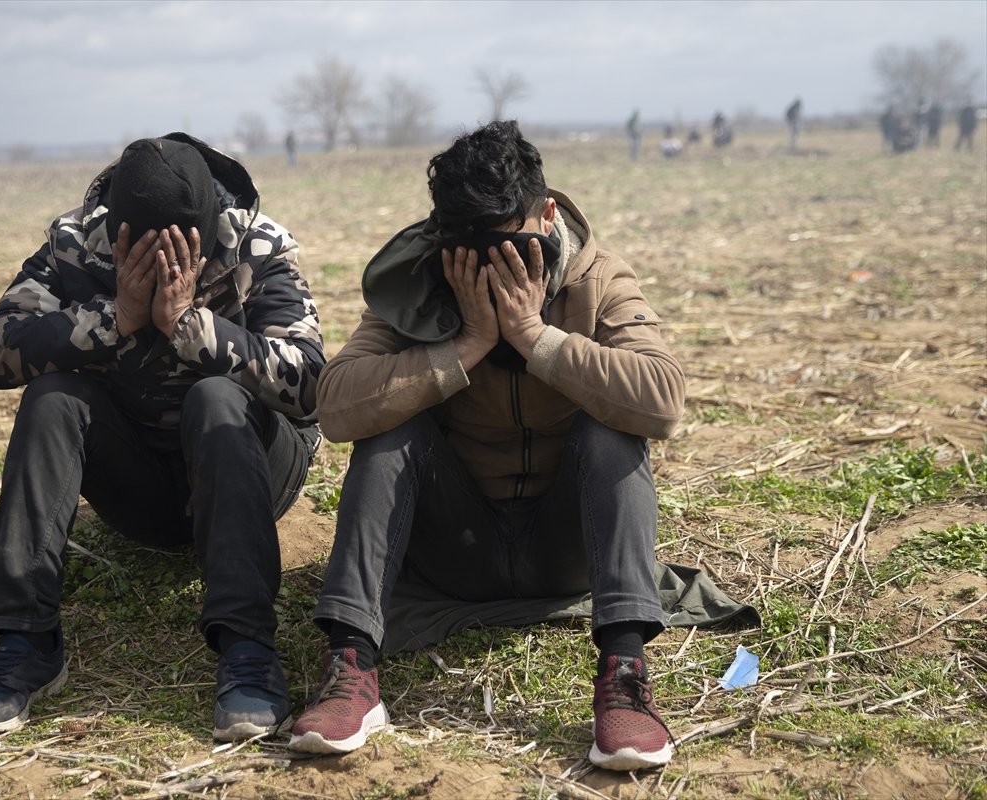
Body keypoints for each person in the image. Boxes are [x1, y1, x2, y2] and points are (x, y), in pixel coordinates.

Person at [287, 121, 754, 770]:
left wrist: (536, 339)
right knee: (391, 426)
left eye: (510, 246)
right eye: (474, 251)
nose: (494, 267)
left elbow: (664, 400)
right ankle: (351, 668)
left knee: (611, 422)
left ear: (548, 215)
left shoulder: (597, 278)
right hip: (457, 548)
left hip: (567, 551)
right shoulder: (423, 283)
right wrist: (464, 347)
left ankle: (624, 677)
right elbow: (336, 407)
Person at [0, 133, 326, 742]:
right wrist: (112, 321)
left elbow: (311, 385)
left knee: (215, 394)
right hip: (140, 484)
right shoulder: (76, 244)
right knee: (53, 397)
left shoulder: (254, 244)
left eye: (185, 249)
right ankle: (25, 640)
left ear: (209, 228)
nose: (168, 264)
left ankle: (247, 648)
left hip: (250, 466)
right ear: (116, 234)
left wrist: (193, 330)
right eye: (144, 250)